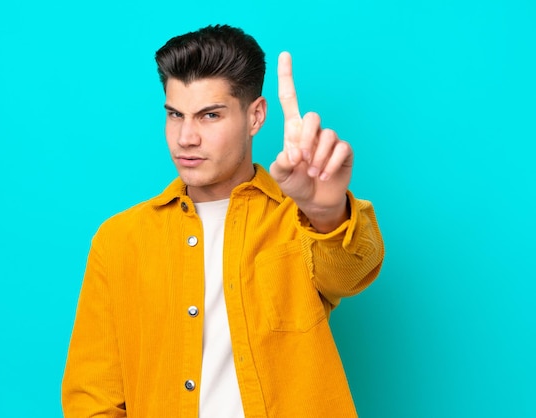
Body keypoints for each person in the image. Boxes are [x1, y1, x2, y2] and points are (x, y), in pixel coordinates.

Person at [62, 24, 384, 418]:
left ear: (256, 116)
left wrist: (324, 211)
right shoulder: (120, 240)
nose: (185, 137)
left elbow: (352, 273)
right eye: (175, 115)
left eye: (209, 116)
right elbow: (91, 399)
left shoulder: (295, 221)